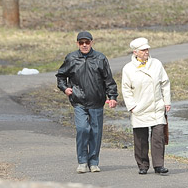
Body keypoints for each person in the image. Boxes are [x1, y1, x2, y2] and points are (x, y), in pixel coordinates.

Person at [56, 31, 118, 173]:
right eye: (81, 43)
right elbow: (60, 76)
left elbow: (108, 80)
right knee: (83, 129)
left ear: (92, 43)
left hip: (97, 101)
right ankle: (82, 161)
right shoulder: (71, 58)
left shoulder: (100, 58)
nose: (84, 45)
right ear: (77, 44)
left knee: (95, 132)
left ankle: (94, 162)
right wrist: (65, 88)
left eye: (87, 42)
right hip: (79, 101)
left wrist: (112, 97)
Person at [121, 37, 171, 175]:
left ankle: (159, 165)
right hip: (139, 107)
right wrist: (132, 106)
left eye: (147, 49)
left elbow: (165, 83)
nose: (146, 52)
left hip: (156, 106)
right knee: (140, 138)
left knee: (158, 136)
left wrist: (167, 101)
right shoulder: (128, 69)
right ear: (135, 52)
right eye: (143, 50)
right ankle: (142, 165)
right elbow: (126, 89)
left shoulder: (156, 64)